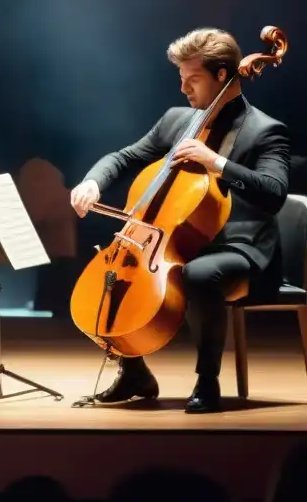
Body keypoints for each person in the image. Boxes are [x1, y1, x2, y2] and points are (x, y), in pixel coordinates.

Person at [70, 28, 290, 414]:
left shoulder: (265, 131)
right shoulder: (177, 121)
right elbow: (123, 158)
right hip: (178, 240)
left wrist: (217, 163)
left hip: (241, 247)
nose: (184, 90)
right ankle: (134, 371)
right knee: (117, 278)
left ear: (223, 76)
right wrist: (92, 181)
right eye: (181, 80)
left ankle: (208, 382)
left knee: (201, 274)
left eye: (193, 80)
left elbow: (273, 193)